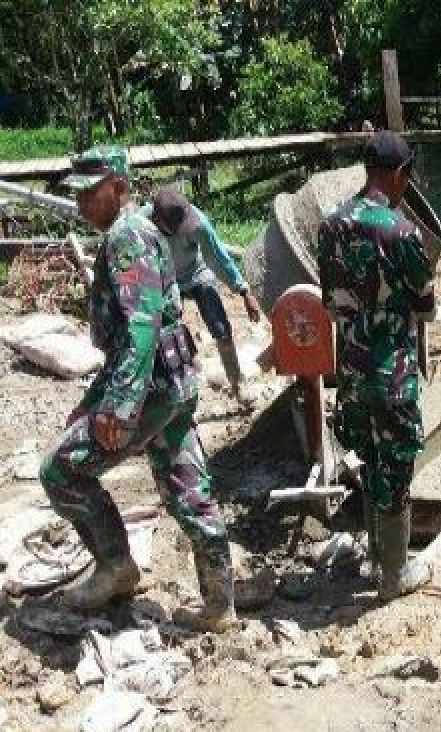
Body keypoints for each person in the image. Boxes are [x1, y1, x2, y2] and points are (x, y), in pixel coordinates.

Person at [40, 146, 236, 632]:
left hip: (148, 385)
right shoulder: (135, 231)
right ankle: (219, 603)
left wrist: (119, 409)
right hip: (174, 380)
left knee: (60, 471)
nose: (83, 203)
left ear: (120, 188)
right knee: (187, 485)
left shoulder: (127, 235)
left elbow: (141, 328)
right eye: (78, 194)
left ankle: (115, 566)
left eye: (92, 192)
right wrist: (92, 404)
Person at [317, 131, 435, 601]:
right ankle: (395, 574)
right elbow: (424, 305)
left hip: (350, 369)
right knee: (397, 464)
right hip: (393, 371)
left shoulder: (329, 226)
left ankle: (371, 558)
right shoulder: (400, 231)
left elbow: (329, 304)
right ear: (400, 174)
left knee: (367, 458)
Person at [142, 188, 262, 397]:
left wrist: (243, 291)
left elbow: (218, 258)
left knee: (220, 328)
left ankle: (236, 382)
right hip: (165, 280)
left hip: (197, 274)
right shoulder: (141, 224)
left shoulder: (199, 224)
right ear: (159, 221)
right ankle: (178, 384)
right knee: (166, 333)